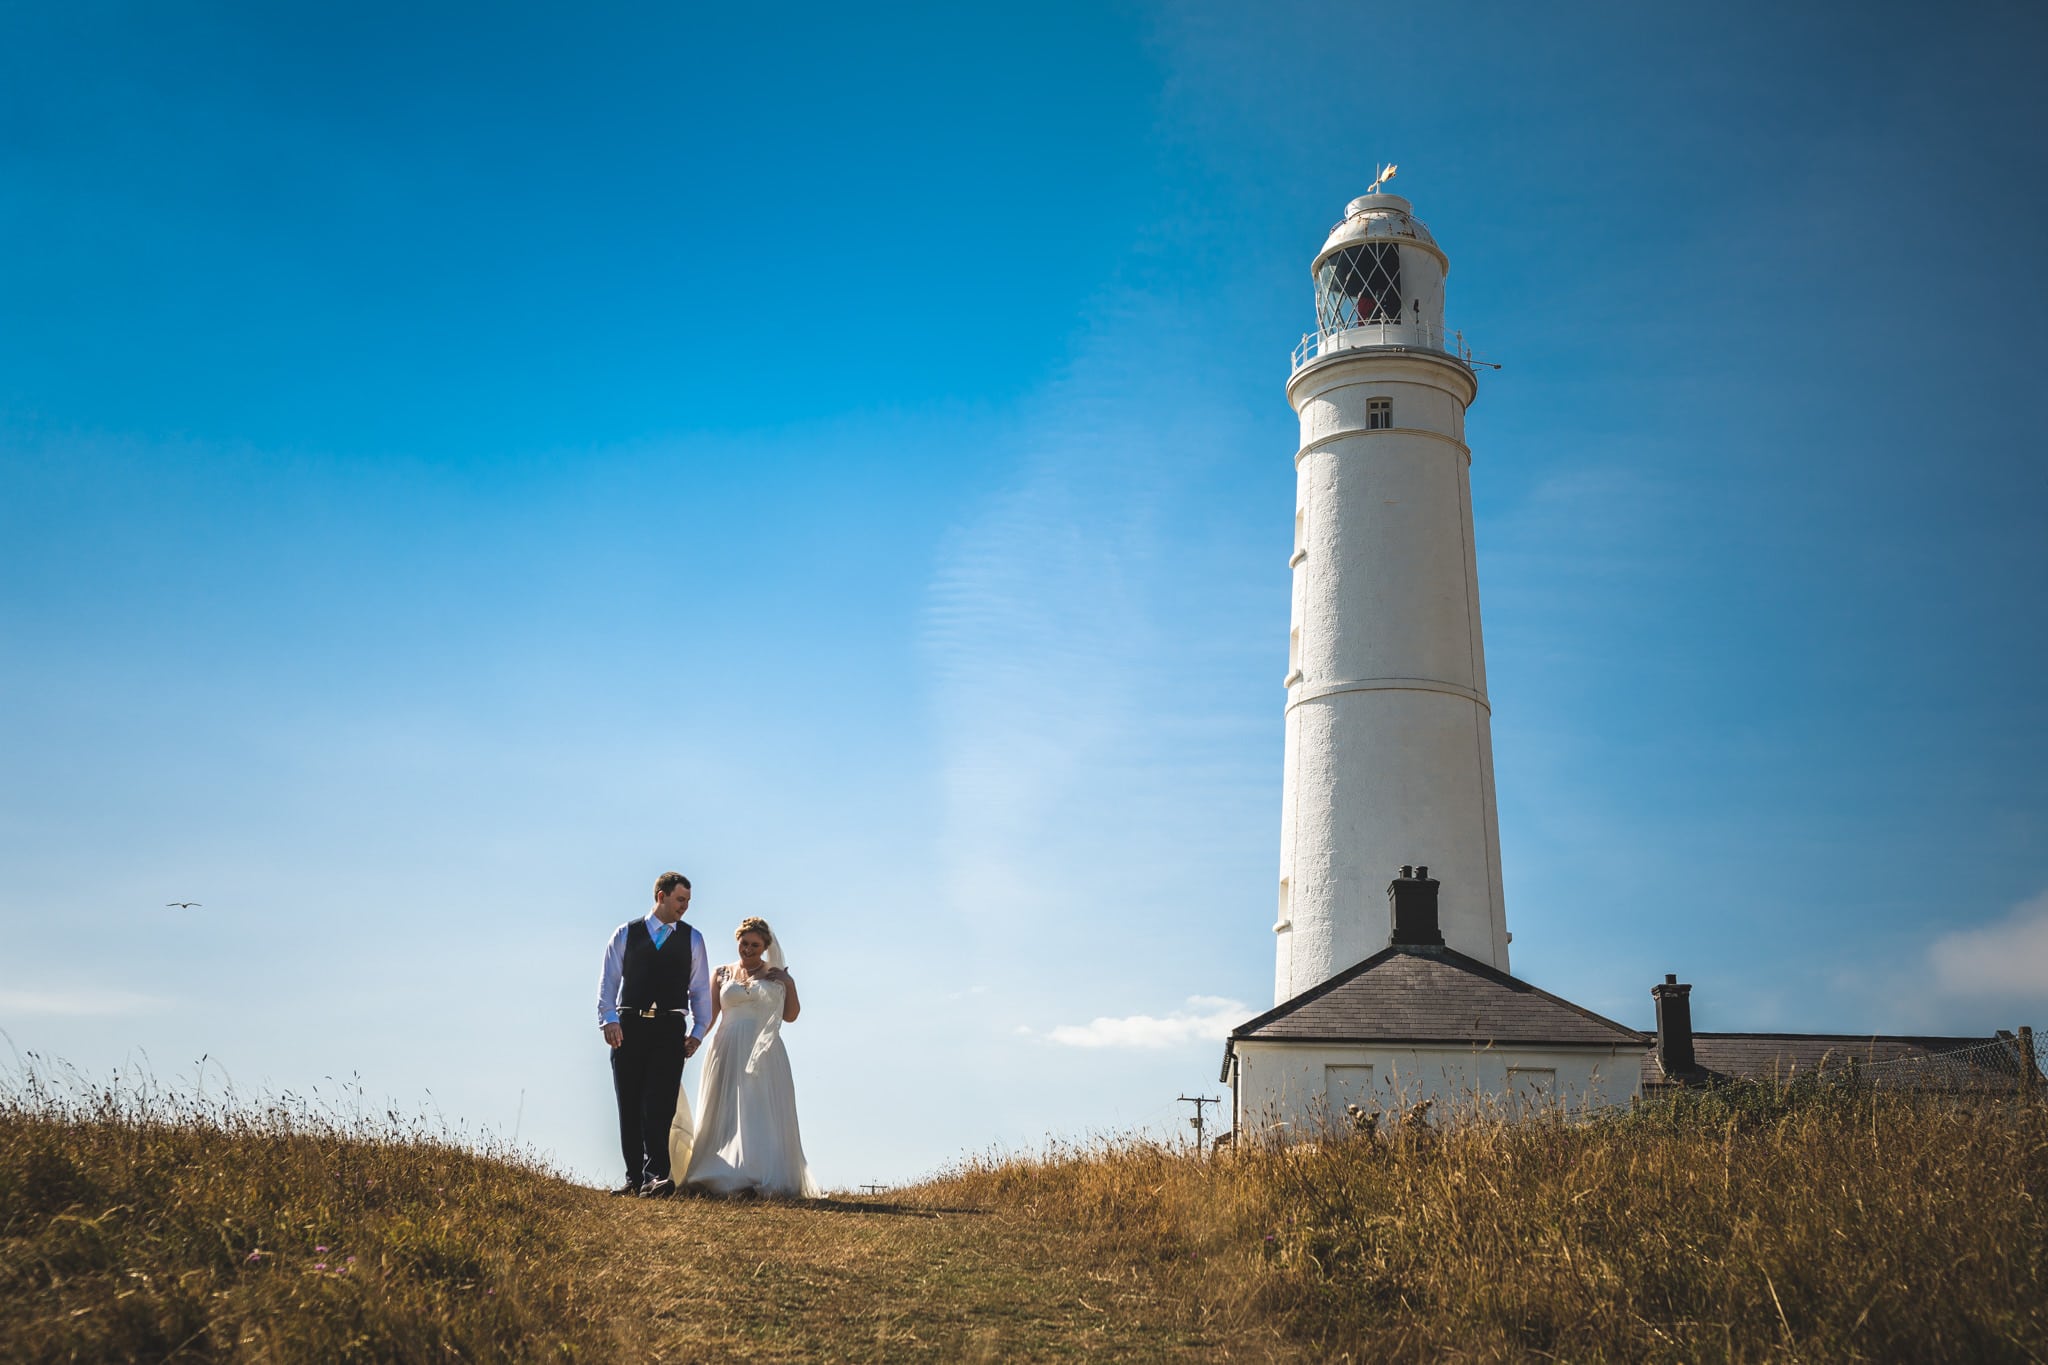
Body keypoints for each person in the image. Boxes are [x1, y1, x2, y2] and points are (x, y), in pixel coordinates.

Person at [671, 916, 820, 1198]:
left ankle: (756, 1173)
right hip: (726, 1046)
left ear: (765, 947)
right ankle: (720, 1171)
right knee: (724, 1108)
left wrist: (788, 982)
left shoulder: (775, 975)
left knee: (757, 1109)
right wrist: (694, 1040)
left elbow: (791, 1016)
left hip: (763, 1051)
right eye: (744, 943)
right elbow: (710, 1016)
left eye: (755, 945)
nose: (748, 949)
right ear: (737, 941)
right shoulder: (721, 973)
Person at [595, 871, 712, 1197]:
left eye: (688, 901)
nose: (684, 907)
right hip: (628, 1026)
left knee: (659, 1104)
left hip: (669, 1027)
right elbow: (609, 982)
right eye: (680, 900)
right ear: (660, 896)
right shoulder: (625, 934)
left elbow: (700, 989)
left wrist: (698, 1031)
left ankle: (656, 1176)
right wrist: (608, 1020)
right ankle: (634, 1178)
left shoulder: (693, 939)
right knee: (629, 1103)